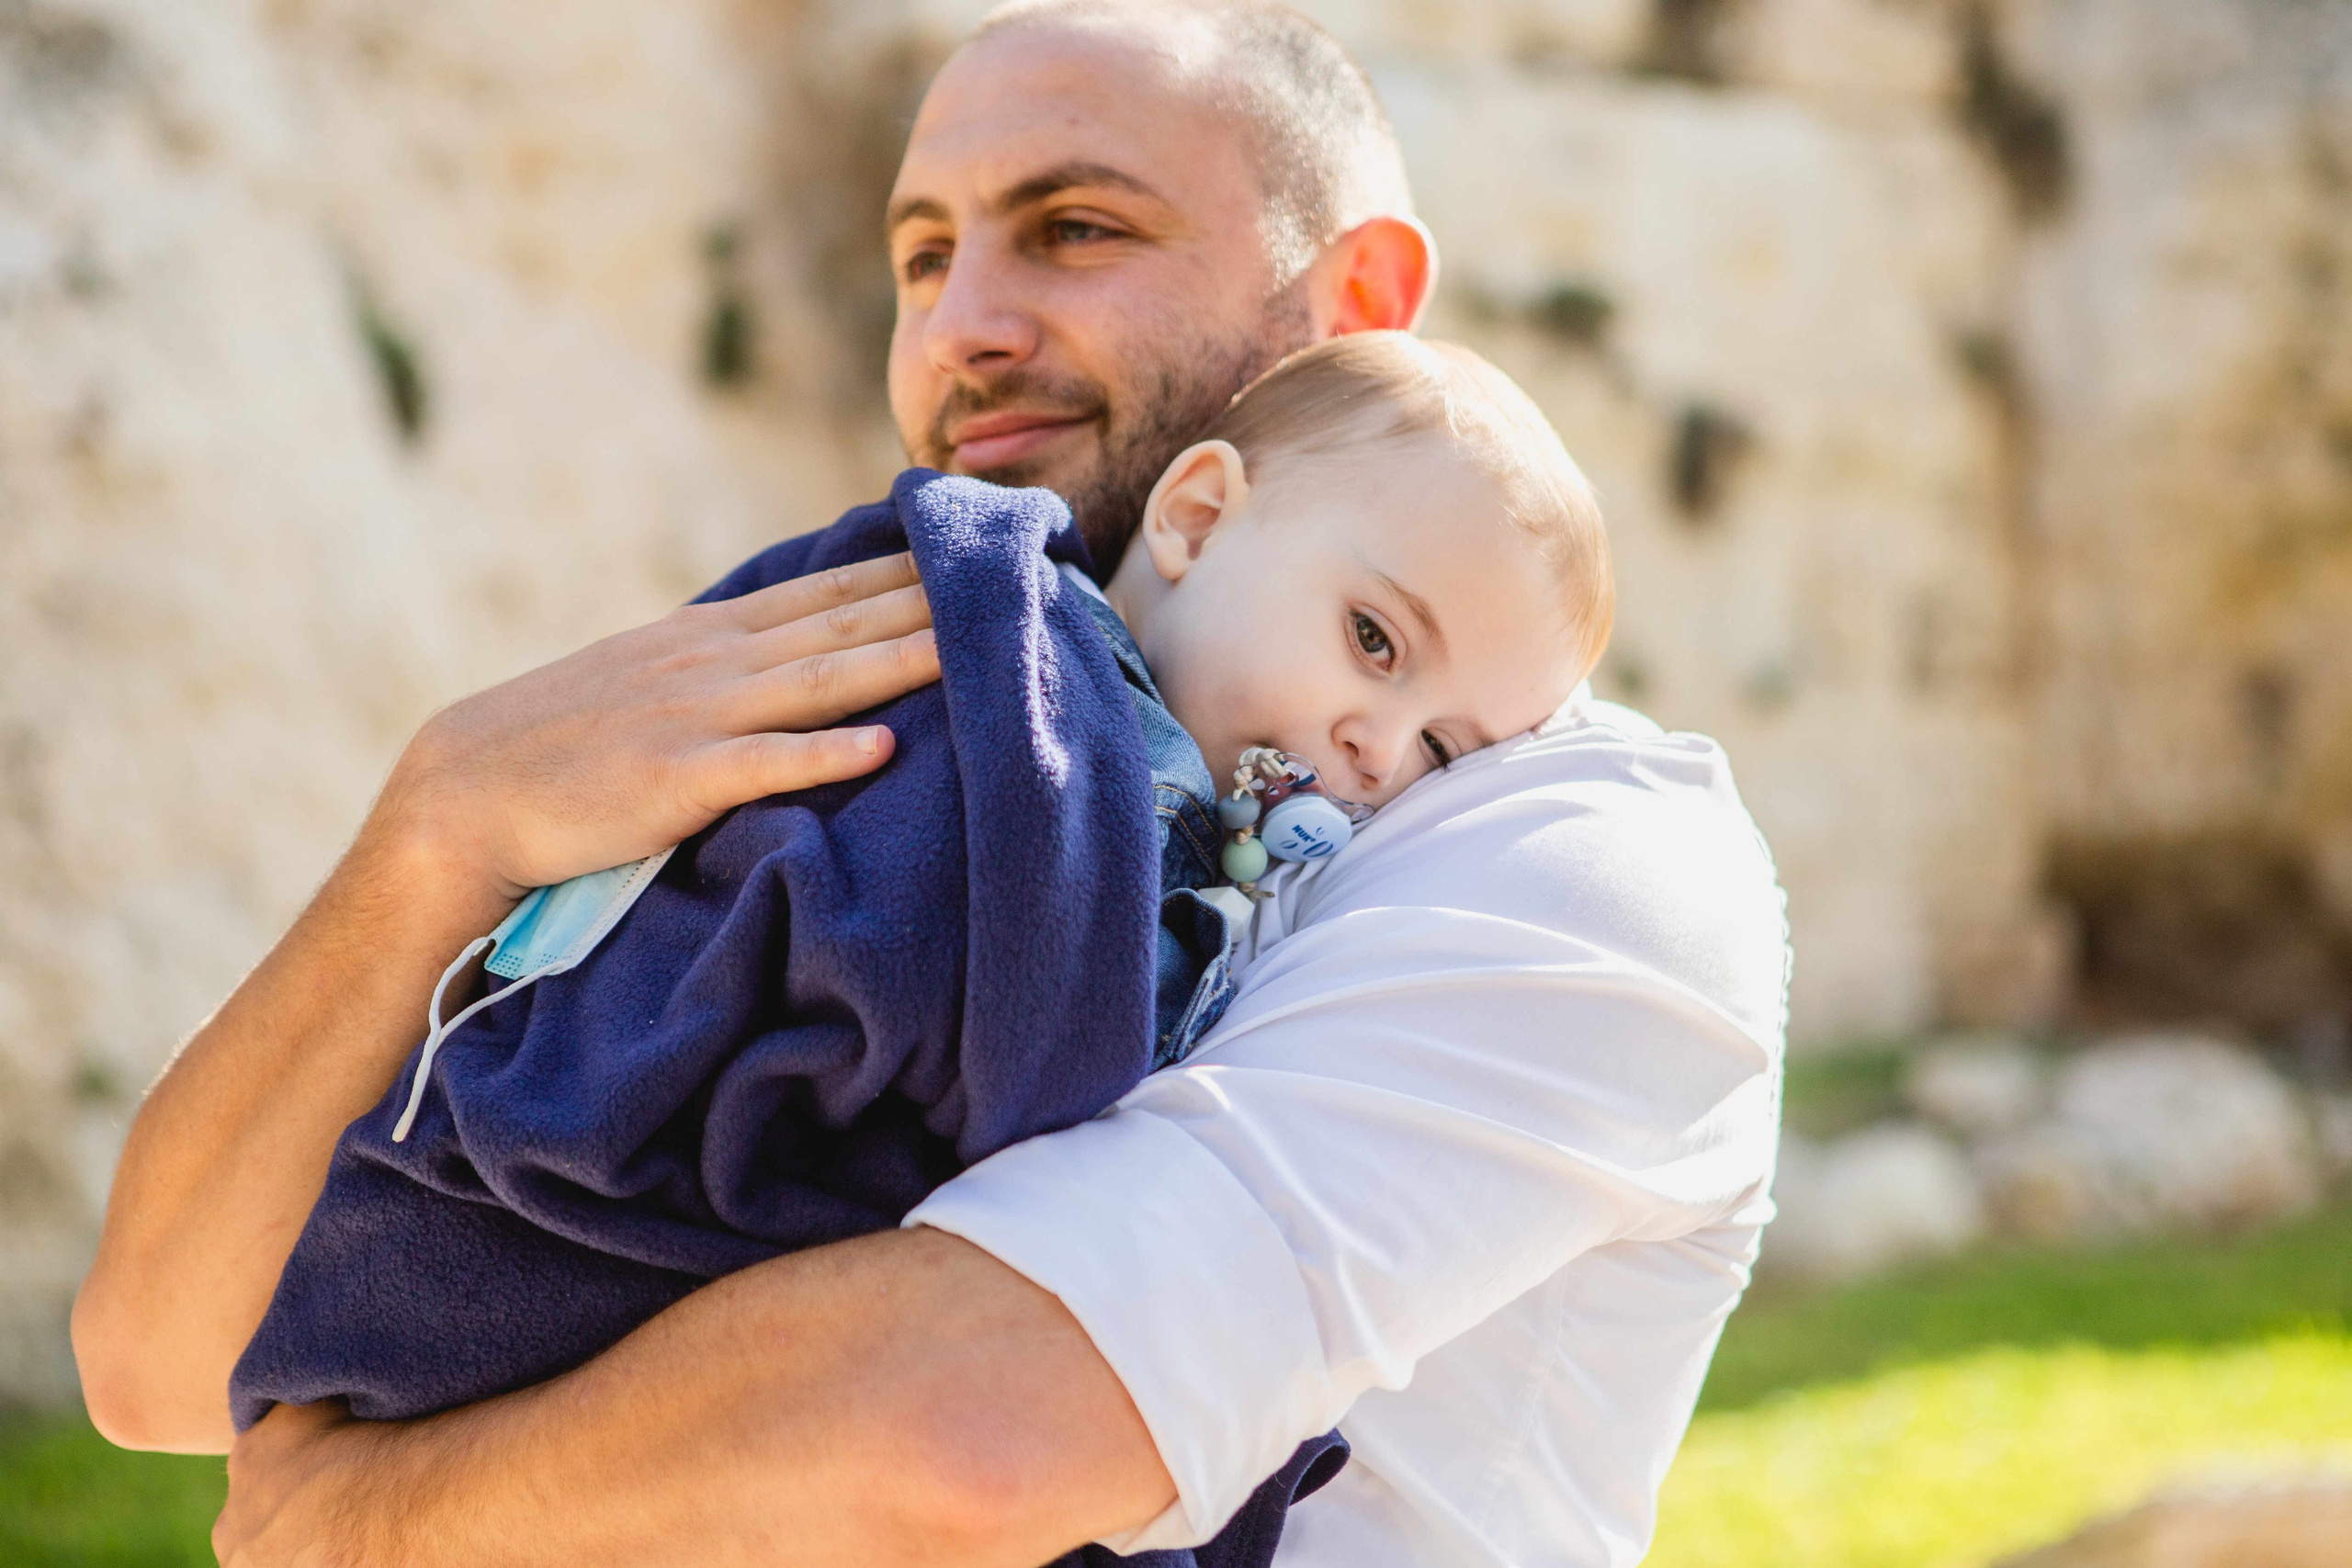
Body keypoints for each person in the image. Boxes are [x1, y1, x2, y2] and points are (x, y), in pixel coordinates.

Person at [73, 4, 1791, 1565]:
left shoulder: (1571, 848)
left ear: (1348, 304)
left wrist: (368, 1526)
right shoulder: (856, 703)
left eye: (1077, 228)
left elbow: (972, 1428)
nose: (962, 332)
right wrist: (437, 829)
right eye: (918, 256)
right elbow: (158, 1359)